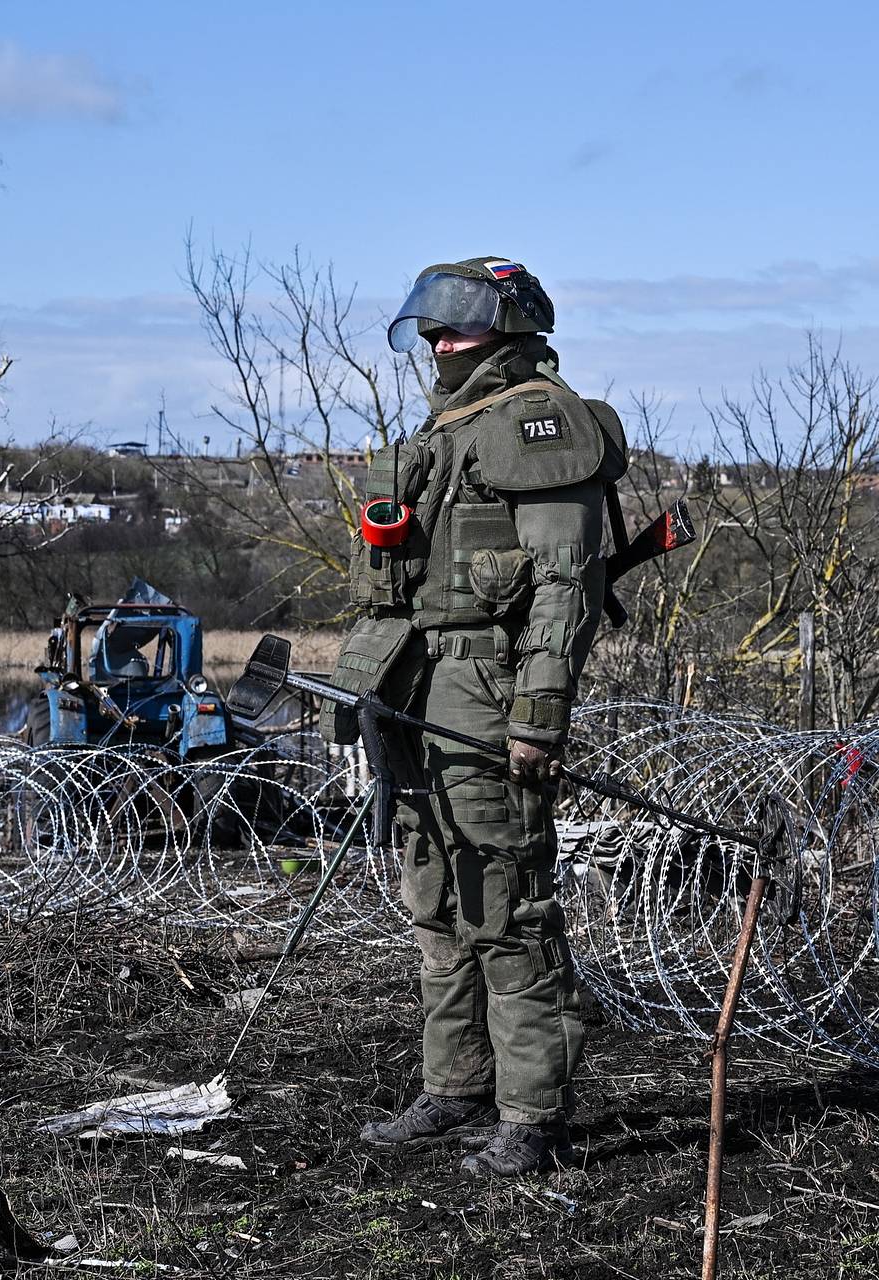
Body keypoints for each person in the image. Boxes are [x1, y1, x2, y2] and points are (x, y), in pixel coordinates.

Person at [324, 258, 624, 1176]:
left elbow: (563, 590)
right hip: (415, 683)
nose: (436, 342)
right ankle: (453, 1086)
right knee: (434, 892)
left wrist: (537, 715)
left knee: (505, 899)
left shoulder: (538, 425)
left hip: (484, 687)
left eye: (456, 327)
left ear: (512, 329)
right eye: (430, 326)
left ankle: (533, 1113)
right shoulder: (451, 426)